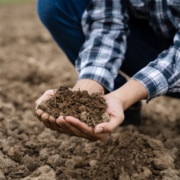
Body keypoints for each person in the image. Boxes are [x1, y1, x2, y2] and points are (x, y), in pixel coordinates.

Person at [35, 0, 180, 141]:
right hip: (152, 46)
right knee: (55, 4)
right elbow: (108, 24)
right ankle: (114, 103)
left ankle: (124, 99)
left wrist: (123, 97)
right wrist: (88, 89)